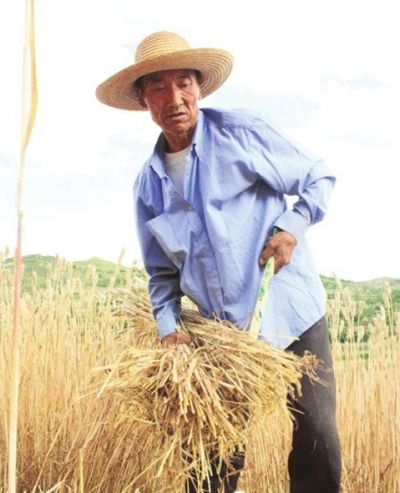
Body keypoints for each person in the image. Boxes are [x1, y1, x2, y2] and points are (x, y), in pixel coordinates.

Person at [96, 31, 342, 493]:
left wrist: (292, 226)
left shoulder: (242, 133)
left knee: (318, 436)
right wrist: (169, 327)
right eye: (158, 86)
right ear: (143, 100)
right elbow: (161, 275)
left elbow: (318, 176)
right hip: (223, 336)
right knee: (211, 451)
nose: (174, 97)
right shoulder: (148, 188)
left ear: (199, 87)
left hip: (290, 313)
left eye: (183, 82)